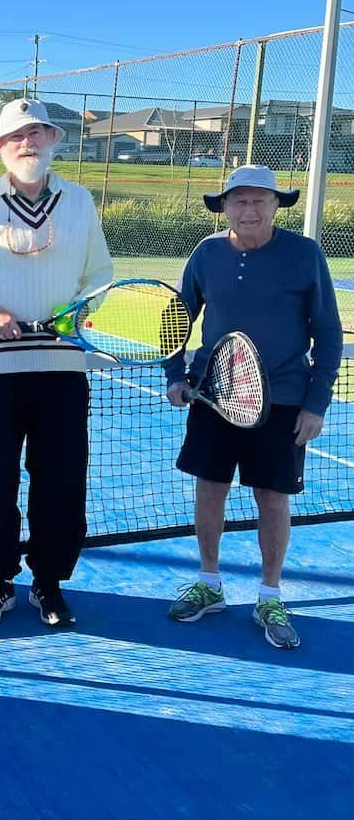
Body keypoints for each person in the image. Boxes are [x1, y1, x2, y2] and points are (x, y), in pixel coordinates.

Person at [0, 98, 113, 629]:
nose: (28, 142)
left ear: (54, 141)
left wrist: (80, 310)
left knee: (61, 477)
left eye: (38, 133)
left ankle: (49, 582)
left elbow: (100, 275)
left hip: (63, 366)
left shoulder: (81, 202)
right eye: (16, 136)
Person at [163, 165, 342, 649]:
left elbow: (328, 333)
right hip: (214, 396)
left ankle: (269, 594)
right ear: (224, 206)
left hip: (283, 400)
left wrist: (315, 404)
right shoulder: (206, 254)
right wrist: (176, 376)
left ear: (276, 205)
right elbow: (175, 320)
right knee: (210, 489)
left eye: (260, 200)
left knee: (272, 498)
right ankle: (209, 583)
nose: (250, 210)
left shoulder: (305, 255)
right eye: (239, 200)